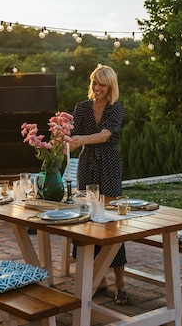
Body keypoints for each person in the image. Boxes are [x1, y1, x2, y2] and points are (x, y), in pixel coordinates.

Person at [68, 65, 128, 305]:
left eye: (101, 84)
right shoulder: (81, 108)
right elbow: (72, 136)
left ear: (110, 86)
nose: (96, 88)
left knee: (112, 222)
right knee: (87, 219)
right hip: (86, 164)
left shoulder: (116, 108)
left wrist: (80, 140)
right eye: (94, 82)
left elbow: (105, 135)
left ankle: (120, 283)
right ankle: (97, 279)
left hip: (109, 164)